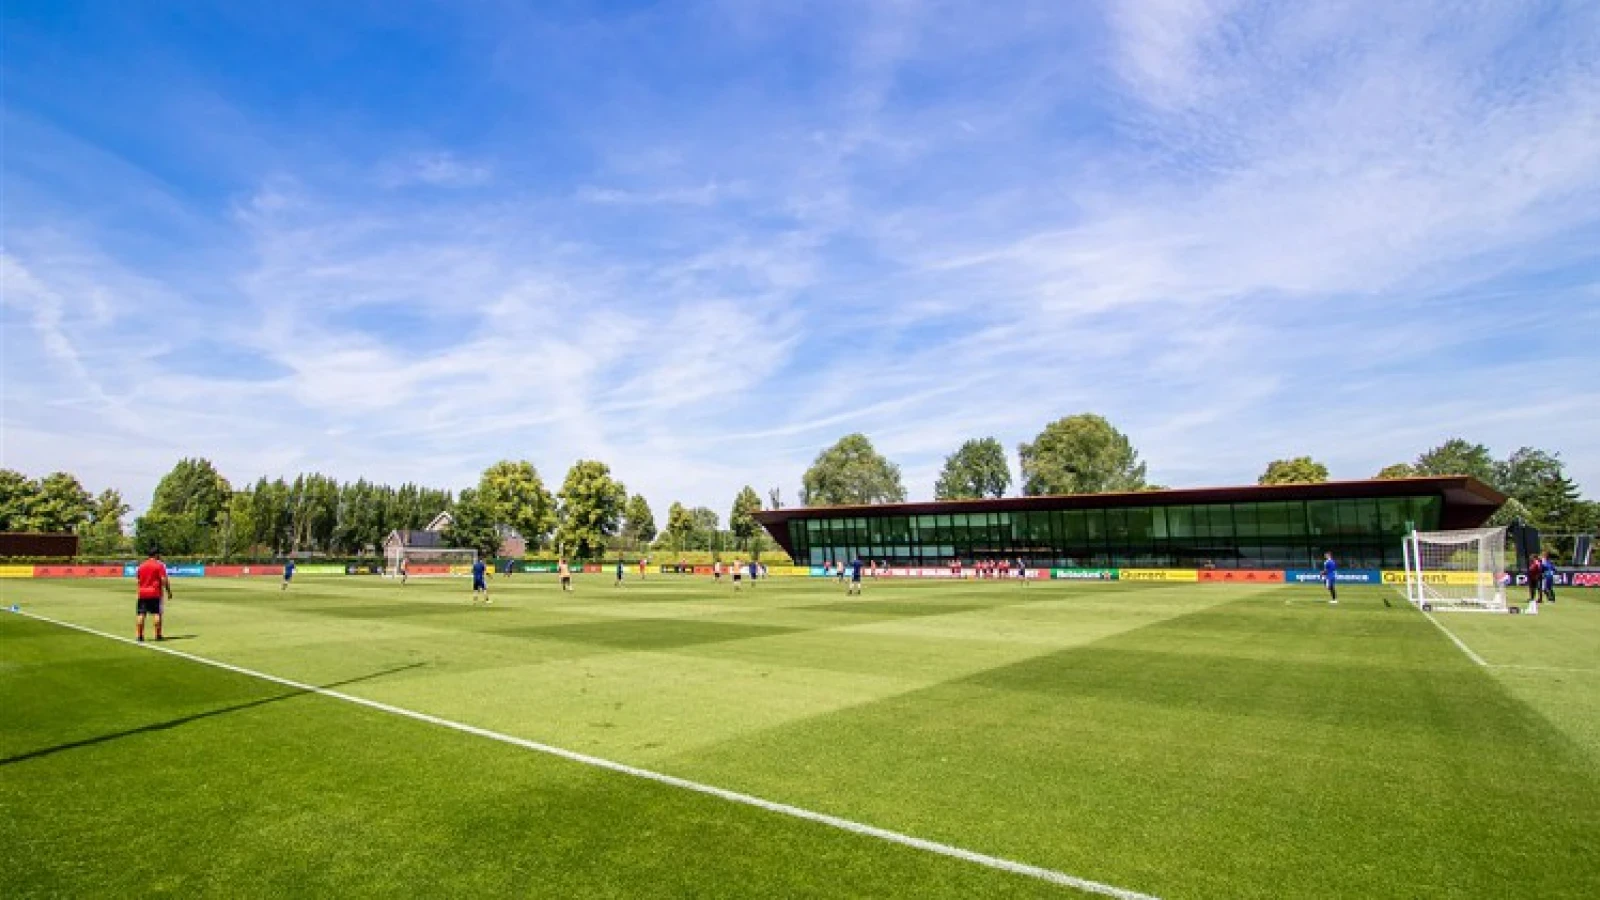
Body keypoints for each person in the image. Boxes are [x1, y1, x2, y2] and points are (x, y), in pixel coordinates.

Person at [135, 549, 171, 642]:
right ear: (156, 555)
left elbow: (138, 579)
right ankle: (158, 635)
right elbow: (164, 580)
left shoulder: (141, 566)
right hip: (155, 593)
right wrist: (168, 591)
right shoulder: (159, 565)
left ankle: (139, 636)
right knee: (157, 613)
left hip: (142, 593)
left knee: (141, 614)